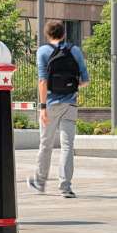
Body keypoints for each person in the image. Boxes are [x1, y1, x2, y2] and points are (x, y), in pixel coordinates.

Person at [27, 20, 89, 198]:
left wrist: (43, 107)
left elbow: (42, 81)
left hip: (51, 104)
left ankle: (40, 182)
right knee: (67, 146)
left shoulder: (43, 51)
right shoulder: (74, 50)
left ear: (47, 34)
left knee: (45, 144)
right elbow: (84, 80)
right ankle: (66, 187)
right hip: (70, 104)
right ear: (63, 34)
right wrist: (71, 86)